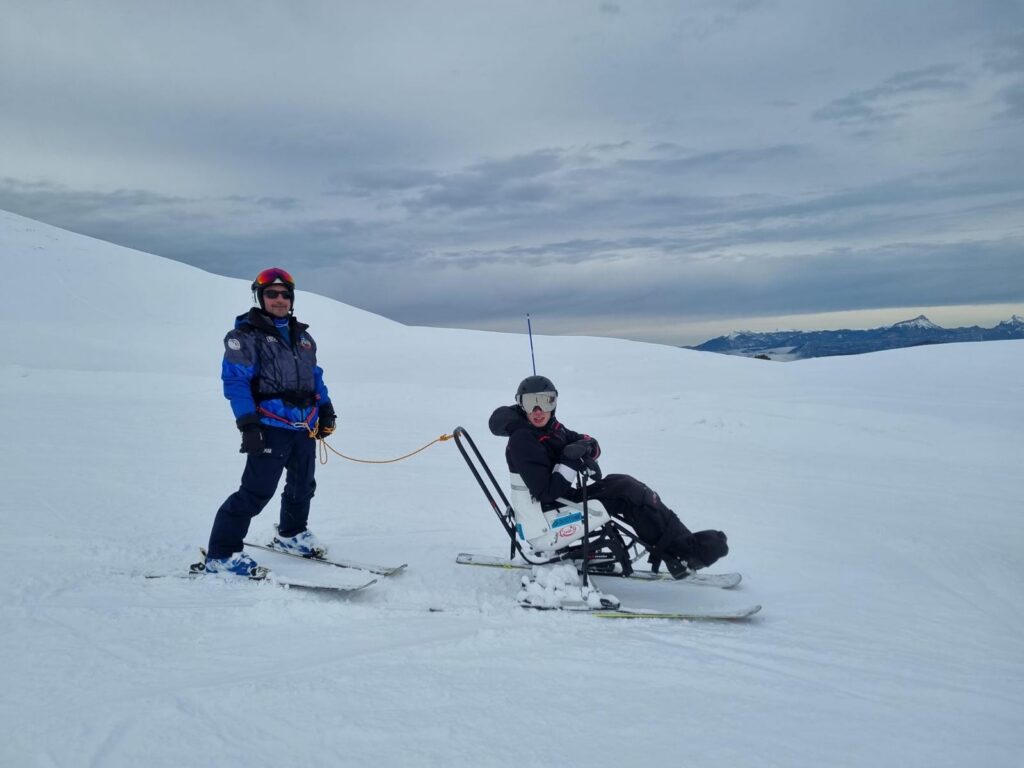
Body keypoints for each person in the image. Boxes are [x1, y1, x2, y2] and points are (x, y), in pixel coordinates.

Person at [488, 374, 728, 579]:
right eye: (530, 403)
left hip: (562, 499)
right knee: (626, 495)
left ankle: (683, 545)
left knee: (625, 484)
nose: (538, 410)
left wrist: (586, 448)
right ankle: (679, 554)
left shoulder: (552, 428)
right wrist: (570, 459)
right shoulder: (524, 440)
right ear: (521, 405)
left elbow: (585, 441)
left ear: (554, 402)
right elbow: (545, 492)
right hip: (547, 514)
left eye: (545, 401)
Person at [203, 267, 337, 577]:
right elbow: (236, 382)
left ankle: (291, 534)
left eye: (285, 294)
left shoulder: (303, 338)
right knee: (256, 491)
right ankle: (221, 554)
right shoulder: (243, 337)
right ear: (260, 297)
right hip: (269, 426)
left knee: (302, 485)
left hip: (304, 426)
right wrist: (248, 425)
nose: (279, 299)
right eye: (272, 294)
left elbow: (315, 377)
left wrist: (326, 409)